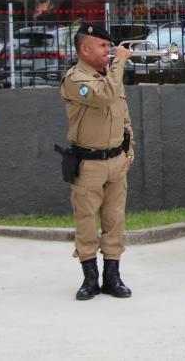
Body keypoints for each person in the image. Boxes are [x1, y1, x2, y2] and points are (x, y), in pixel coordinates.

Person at [60, 23, 135, 301]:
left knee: (115, 221)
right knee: (87, 222)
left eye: (109, 46)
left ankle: (112, 277)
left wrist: (130, 151)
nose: (109, 51)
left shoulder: (110, 76)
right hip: (88, 163)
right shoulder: (75, 79)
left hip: (116, 160)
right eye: (103, 46)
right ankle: (90, 278)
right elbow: (105, 96)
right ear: (85, 49)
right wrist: (119, 64)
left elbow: (124, 117)